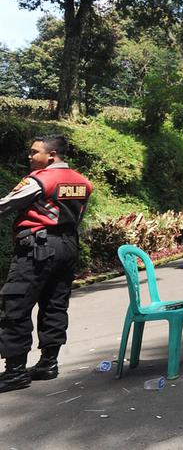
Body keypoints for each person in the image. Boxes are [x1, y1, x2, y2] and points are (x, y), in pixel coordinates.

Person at [0, 134, 93, 393]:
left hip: (37, 248)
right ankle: (48, 364)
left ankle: (15, 372)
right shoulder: (83, 182)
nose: (29, 157)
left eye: (34, 152)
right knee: (54, 303)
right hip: (68, 246)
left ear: (51, 155)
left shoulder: (39, 180)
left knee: (15, 304)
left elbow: (6, 205)